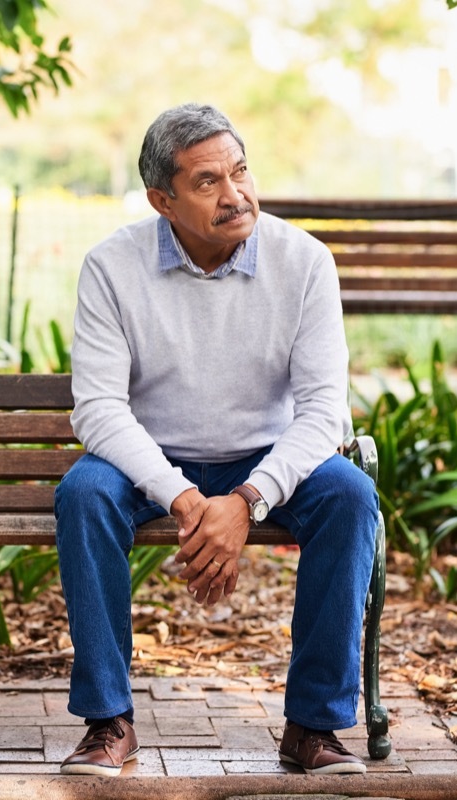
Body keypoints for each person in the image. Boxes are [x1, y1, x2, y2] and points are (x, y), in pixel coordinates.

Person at [54, 103, 379, 778]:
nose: (235, 195)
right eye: (208, 182)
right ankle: (108, 723)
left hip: (269, 458)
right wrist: (183, 498)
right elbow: (99, 411)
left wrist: (246, 500)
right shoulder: (113, 267)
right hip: (152, 460)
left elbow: (323, 412)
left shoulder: (305, 262)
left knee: (351, 494)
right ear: (162, 200)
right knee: (83, 493)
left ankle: (313, 728)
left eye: (240, 172)